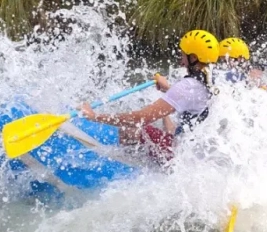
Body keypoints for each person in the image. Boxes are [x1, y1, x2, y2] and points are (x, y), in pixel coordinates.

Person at [80, 29, 218, 164]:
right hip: (193, 153)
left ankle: (132, 165)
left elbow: (139, 118)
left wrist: (95, 117)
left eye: (183, 55)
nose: (181, 61)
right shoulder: (212, 79)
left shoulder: (186, 86)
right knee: (166, 121)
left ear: (193, 57)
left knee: (129, 130)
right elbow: (191, 98)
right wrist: (169, 89)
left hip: (178, 156)